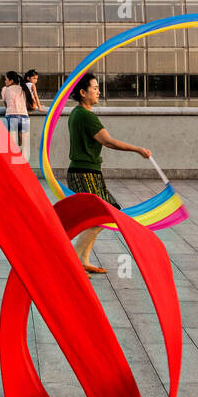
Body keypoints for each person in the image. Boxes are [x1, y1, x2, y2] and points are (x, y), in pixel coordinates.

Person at [66, 72, 150, 275]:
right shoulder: (86, 116)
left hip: (84, 172)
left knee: (102, 216)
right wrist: (138, 149)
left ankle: (83, 259)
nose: (98, 92)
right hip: (85, 173)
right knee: (106, 214)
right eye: (94, 88)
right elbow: (108, 141)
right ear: (83, 92)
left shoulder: (76, 113)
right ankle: (76, 260)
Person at [0, 70, 32, 155]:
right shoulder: (24, 88)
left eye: (6, 79)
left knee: (11, 143)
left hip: (11, 116)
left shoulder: (5, 89)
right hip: (24, 117)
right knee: (23, 143)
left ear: (11, 81)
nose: (5, 81)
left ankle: (13, 158)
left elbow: (6, 105)